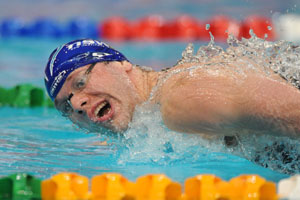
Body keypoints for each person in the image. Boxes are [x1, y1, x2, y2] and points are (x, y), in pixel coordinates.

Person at [45, 38, 300, 140]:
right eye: (65, 105)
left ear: (121, 64)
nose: (77, 104)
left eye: (80, 82)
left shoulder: (183, 101)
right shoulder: (152, 120)